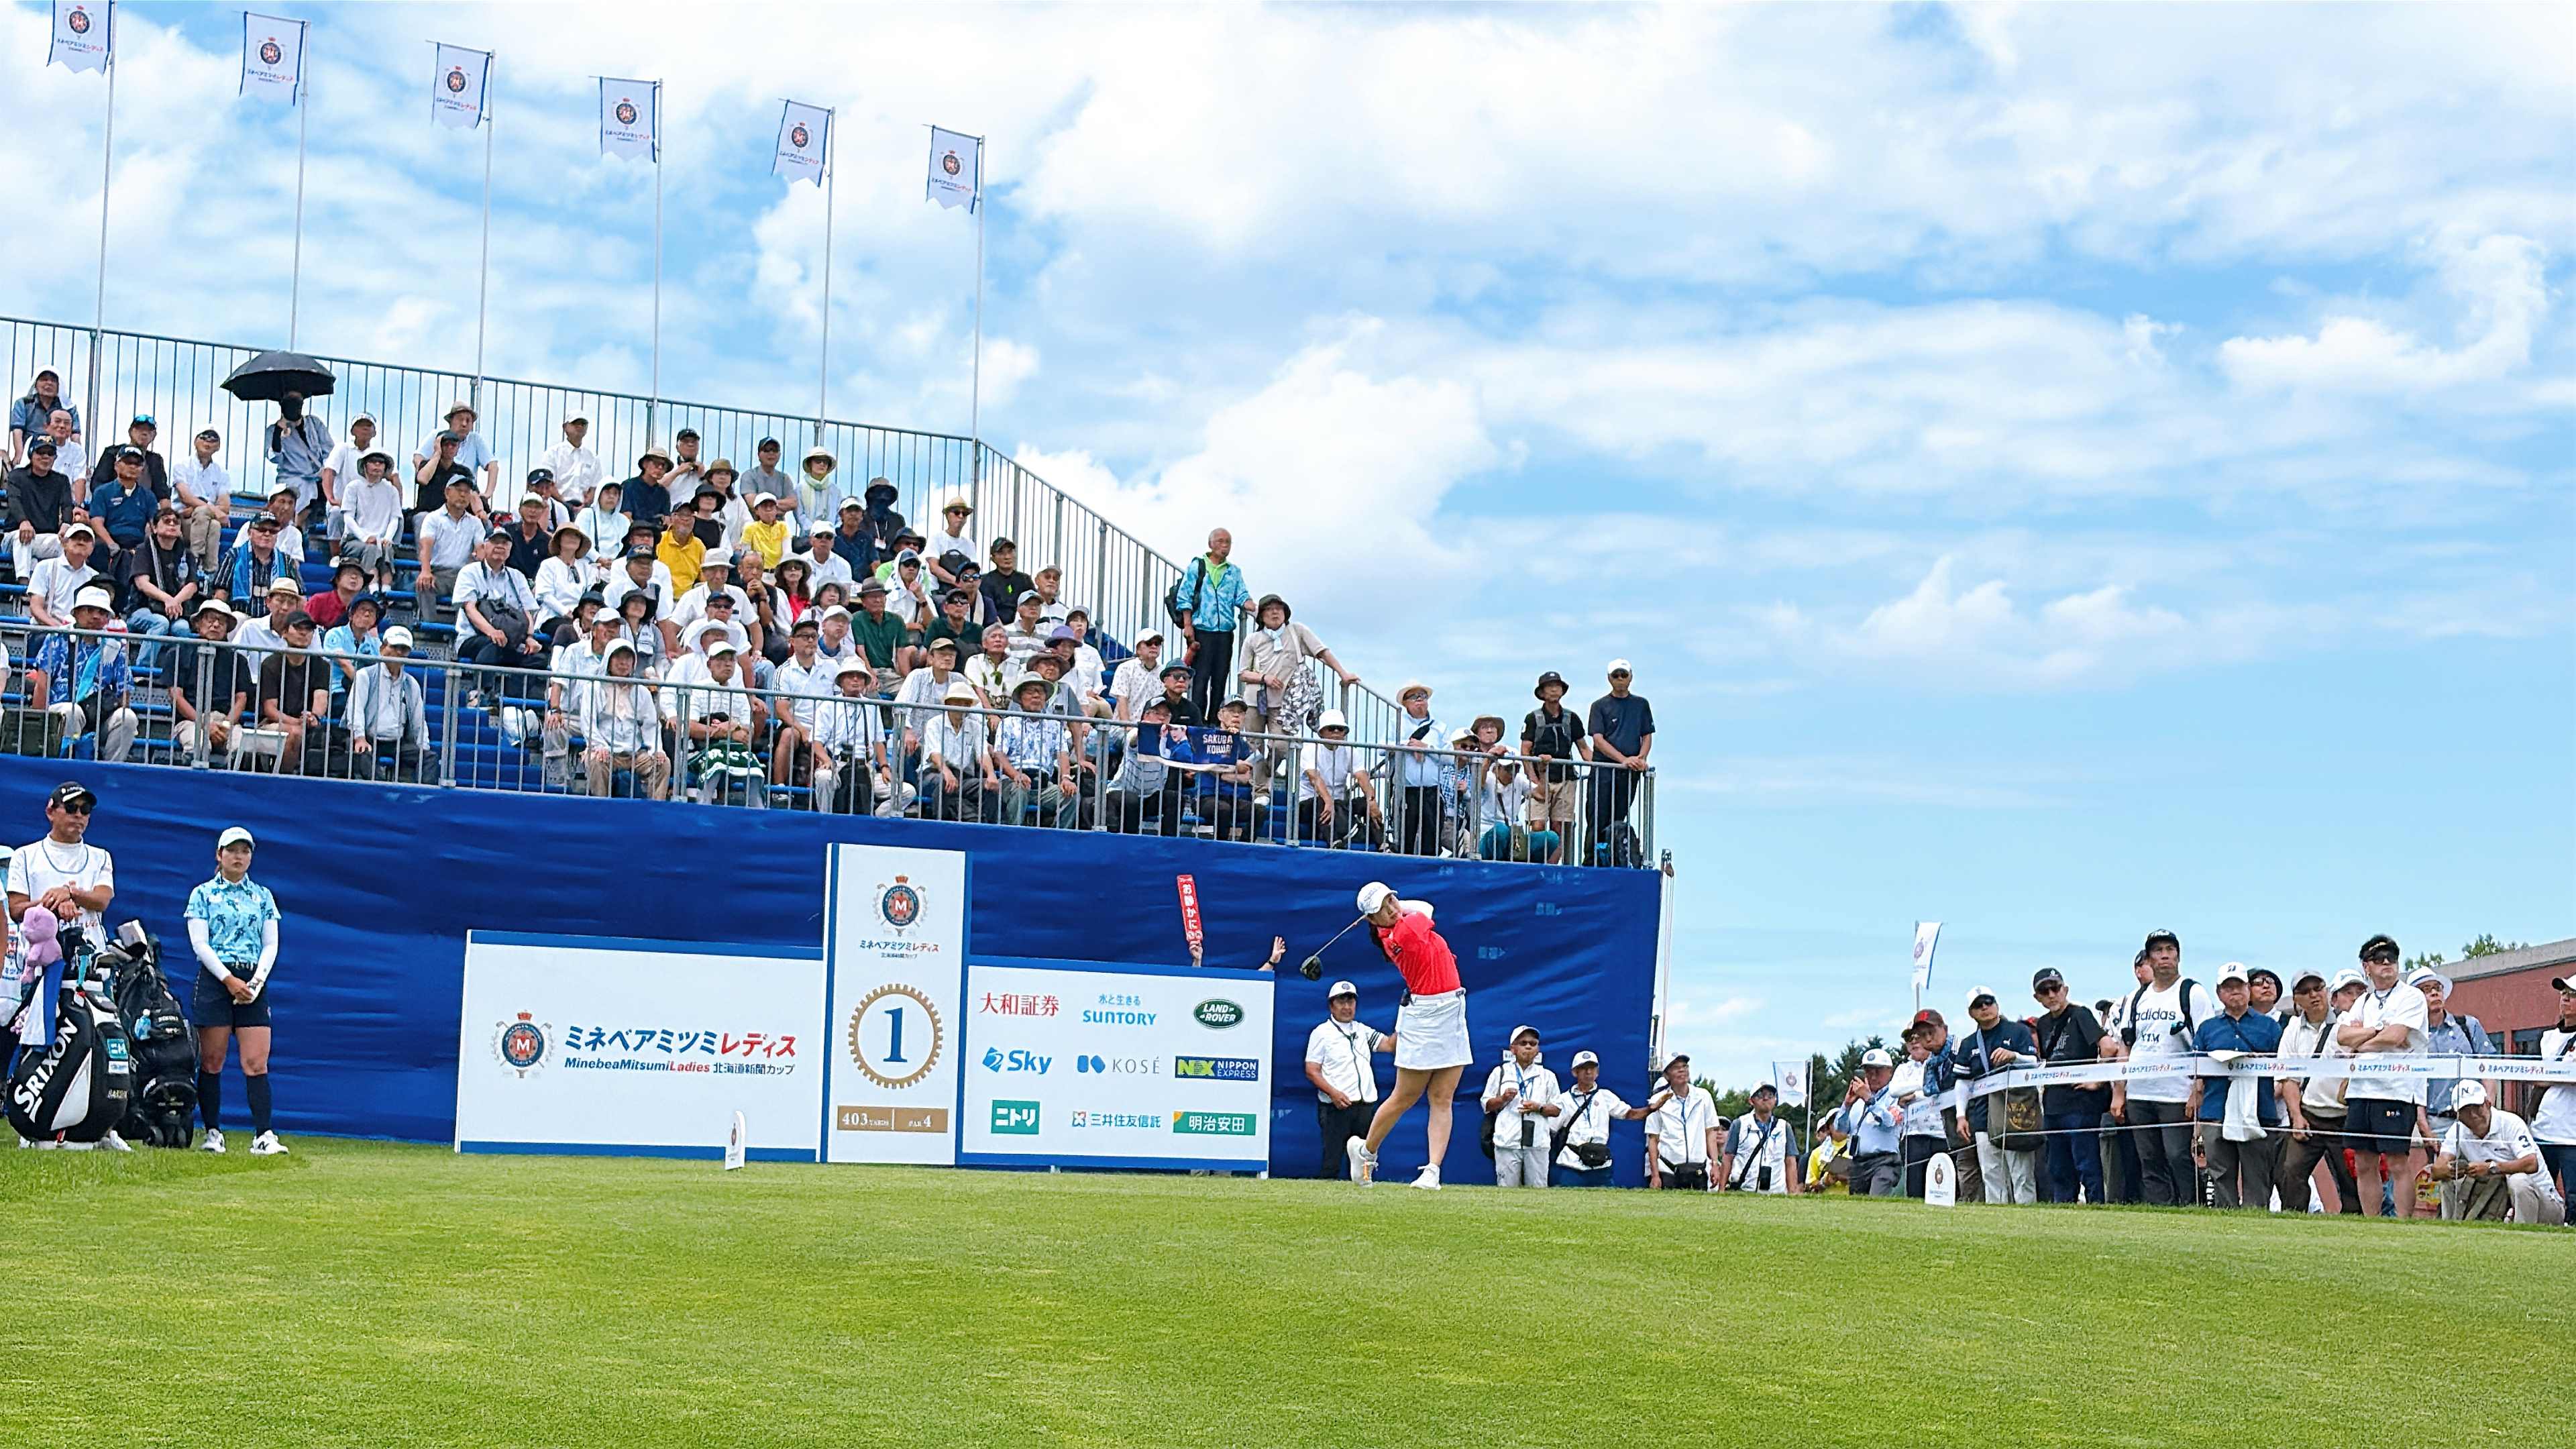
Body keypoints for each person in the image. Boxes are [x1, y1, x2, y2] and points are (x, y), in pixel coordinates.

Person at [1337, 883, 1474, 1191]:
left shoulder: (1396, 924)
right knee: (1405, 1096)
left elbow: (1411, 907)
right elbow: (1424, 906)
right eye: (1382, 908)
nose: (1392, 908)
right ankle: (1366, 1151)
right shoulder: (1404, 932)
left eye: (1391, 899)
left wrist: (1381, 908)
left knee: (1443, 1097)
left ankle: (1432, 1172)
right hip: (1424, 1018)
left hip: (1452, 1009)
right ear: (1373, 922)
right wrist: (1386, 911)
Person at [184, 826, 287, 1156]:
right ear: (220, 855)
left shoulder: (263, 896)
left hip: (253, 981)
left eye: (245, 851)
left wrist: (255, 984)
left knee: (256, 1062)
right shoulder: (202, 894)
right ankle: (213, 1132)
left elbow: (270, 944)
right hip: (217, 979)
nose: (239, 857)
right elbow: (200, 944)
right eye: (232, 850)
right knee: (212, 1060)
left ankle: (264, 1134)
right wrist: (229, 980)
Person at [2108, 928, 2218, 1206]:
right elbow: (2126, 1046)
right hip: (2140, 1093)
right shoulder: (2136, 998)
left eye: (2170, 950)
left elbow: (2203, 1044)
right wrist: (2119, 1092)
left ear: (2178, 956)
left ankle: (2192, 1206)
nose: (2165, 956)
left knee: (2178, 1155)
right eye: (2159, 951)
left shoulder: (2191, 992)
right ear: (2149, 959)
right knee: (2149, 1159)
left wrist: (2198, 1089)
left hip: (2176, 1093)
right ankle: (2161, 1211)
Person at [2337, 933, 2430, 1218]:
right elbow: (2342, 1036)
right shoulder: (2362, 1002)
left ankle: (2403, 1222)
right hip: (2361, 1089)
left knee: (2397, 1161)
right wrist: (2376, 1032)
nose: (2387, 964)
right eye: (2379, 959)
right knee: (2364, 1162)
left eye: (2392, 958)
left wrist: (2362, 1041)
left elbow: (2397, 1035)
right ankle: (2372, 1222)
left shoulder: (2411, 996)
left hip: (2396, 1089)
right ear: (2367, 966)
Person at [2183, 965, 2286, 1210]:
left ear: (2248, 990)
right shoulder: (2207, 1028)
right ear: (2219, 993)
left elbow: (2283, 1070)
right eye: (2228, 988)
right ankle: (2226, 1223)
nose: (2234, 992)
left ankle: (2257, 1223)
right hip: (2215, 1111)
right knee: (2220, 1175)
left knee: (2257, 1175)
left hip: (2259, 1111)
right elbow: (2196, 1072)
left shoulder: (2270, 1027)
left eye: (2239, 986)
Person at [2277, 968, 2361, 1214]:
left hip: (2344, 1118)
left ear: (2327, 991)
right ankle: (2294, 1223)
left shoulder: (2347, 1024)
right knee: (2291, 1172)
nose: (2314, 995)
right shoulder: (2291, 1029)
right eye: (2305, 991)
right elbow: (2287, 1079)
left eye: (2318, 988)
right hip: (2309, 1116)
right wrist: (2296, 1116)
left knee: (2350, 1180)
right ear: (2296, 999)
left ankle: (2354, 1228)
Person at [2427, 1082, 2566, 1225]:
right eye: (2466, 1111)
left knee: (2519, 1181)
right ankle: (2451, 1227)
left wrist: (2491, 1168)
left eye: (2477, 1107)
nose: (2473, 1115)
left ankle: (2523, 1233)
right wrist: (2452, 1170)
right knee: (2449, 1181)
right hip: (2497, 1200)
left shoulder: (2511, 1123)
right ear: (2458, 1115)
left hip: (2546, 1204)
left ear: (2488, 1104)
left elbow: (2531, 1163)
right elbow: (2437, 1170)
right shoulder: (2457, 1130)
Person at [1952, 985, 2042, 1204]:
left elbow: (2034, 1063)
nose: (1985, 1008)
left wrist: (2014, 1056)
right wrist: (1961, 1116)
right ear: (1971, 1013)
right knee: (1992, 1174)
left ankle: (2028, 1221)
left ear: (1997, 1005)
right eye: (1978, 1005)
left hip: (2016, 1114)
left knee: (2022, 1174)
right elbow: (1963, 1082)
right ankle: (1997, 1222)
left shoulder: (2018, 1031)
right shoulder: (1968, 1044)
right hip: (1982, 1117)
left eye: (1988, 1002)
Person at [2416, 965, 2494, 1213]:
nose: (2434, 994)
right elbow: (2413, 1084)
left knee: (2481, 1175)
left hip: (2473, 1117)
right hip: (2437, 1120)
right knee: (2445, 1179)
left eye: (2437, 988)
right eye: (2426, 990)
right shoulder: (2413, 1038)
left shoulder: (2468, 1026)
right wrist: (2424, 1125)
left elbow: (2488, 1068)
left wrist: (2489, 1107)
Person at [29, 588, 138, 763]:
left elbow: (124, 692)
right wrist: (37, 726)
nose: (96, 616)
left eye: (102, 612)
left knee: (128, 717)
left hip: (98, 718)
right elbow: (42, 684)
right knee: (73, 711)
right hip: (59, 715)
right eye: (89, 610)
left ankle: (109, 770)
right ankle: (66, 763)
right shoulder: (57, 639)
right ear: (77, 613)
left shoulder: (115, 647)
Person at [2030, 967, 2108, 1203]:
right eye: (2045, 991)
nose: (2052, 995)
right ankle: (2063, 1210)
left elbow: (2108, 1047)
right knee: (2058, 1168)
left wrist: (2098, 1080)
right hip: (2054, 1103)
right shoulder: (2043, 1024)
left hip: (2080, 1104)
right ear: (2038, 998)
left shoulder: (2081, 1014)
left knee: (2087, 1163)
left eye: (2055, 988)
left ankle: (2097, 1207)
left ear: (2065, 990)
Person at [1236, 594, 1359, 738]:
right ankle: (1259, 761)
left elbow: (1322, 652)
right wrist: (1264, 678)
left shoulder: (1296, 631)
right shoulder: (1253, 639)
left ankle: (1268, 762)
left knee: (1281, 746)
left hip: (1284, 705)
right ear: (1262, 616)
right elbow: (1242, 674)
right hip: (1255, 701)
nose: (1275, 612)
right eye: (1269, 609)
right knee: (1253, 744)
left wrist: (1343, 674)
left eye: (1278, 609)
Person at [1173, 527, 1252, 720]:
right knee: (1200, 678)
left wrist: (1258, 609)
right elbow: (1185, 597)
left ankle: (1216, 720)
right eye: (1220, 541)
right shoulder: (1198, 566)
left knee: (1220, 677)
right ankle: (1198, 720)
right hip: (1203, 630)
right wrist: (1188, 625)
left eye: (1228, 543)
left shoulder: (1234, 572)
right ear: (1211, 544)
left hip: (1224, 631)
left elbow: (1241, 596)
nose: (1224, 546)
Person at [1583, 659, 1654, 865]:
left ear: (1631, 677)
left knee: (1619, 816)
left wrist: (1641, 759)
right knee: (1598, 817)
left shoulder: (1641, 704)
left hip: (1629, 774)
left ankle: (1613, 858)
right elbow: (1598, 739)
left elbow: (1647, 735)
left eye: (1624, 675)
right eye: (1616, 676)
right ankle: (1592, 860)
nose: (1621, 679)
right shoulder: (1599, 706)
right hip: (1605, 771)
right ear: (1609, 679)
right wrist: (1624, 760)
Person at [580, 640, 670, 799]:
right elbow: (588, 723)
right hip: (606, 750)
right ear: (609, 661)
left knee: (663, 764)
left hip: (634, 753)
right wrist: (599, 746)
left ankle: (655, 809)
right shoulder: (594, 688)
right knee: (597, 761)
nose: (623, 663)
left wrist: (657, 749)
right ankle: (601, 806)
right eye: (618, 658)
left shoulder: (641, 691)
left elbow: (651, 725)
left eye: (628, 659)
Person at [169, 600, 252, 767]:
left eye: (221, 621)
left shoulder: (238, 659)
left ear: (228, 628)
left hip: (226, 721)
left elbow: (241, 698)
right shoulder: (179, 652)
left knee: (243, 749)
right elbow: (176, 695)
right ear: (198, 624)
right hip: (190, 720)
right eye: (210, 619)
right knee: (197, 746)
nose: (215, 625)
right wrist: (204, 723)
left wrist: (227, 725)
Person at [1552, 1050, 1650, 1187]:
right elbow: (1551, 1130)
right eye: (1584, 1069)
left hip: (1601, 1165)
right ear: (1575, 1072)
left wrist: (1652, 1109)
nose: (1588, 1073)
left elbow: (1630, 1114)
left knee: (1607, 1205)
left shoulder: (1605, 1096)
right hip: (1572, 1164)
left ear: (1597, 1072)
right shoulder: (1563, 1100)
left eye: (1592, 1069)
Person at [347, 627, 433, 782]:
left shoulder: (411, 683)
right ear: (382, 648)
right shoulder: (365, 675)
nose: (399, 653)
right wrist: (359, 737)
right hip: (369, 738)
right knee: (362, 754)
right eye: (394, 647)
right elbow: (356, 709)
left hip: (398, 742)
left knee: (429, 758)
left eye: (404, 649)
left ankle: (422, 799)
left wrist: (423, 747)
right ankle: (382, 795)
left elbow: (419, 720)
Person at [1482, 1024, 1562, 1189]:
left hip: (1538, 1142)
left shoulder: (1547, 1076)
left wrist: (1538, 1108)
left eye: (1533, 1044)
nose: (1528, 1047)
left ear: (1538, 1050)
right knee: (1507, 1190)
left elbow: (1557, 1110)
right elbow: (1486, 1105)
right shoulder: (1501, 1072)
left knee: (1538, 1190)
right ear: (1513, 1049)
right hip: (1508, 1141)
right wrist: (1503, 1099)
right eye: (1523, 1043)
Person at [1295, 708, 1381, 849]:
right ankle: (1334, 842)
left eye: (1340, 729)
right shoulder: (1310, 749)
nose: (1336, 732)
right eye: (1331, 728)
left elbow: (1362, 777)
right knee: (1321, 803)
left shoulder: (1350, 751)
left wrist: (1372, 801)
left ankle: (1382, 843)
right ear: (1321, 732)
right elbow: (1315, 778)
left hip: (1339, 803)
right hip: (1309, 803)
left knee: (1365, 804)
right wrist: (1329, 801)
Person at [920, 681, 999, 823]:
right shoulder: (935, 723)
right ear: (949, 704)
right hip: (934, 774)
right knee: (945, 784)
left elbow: (983, 754)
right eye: (957, 702)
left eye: (965, 703)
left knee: (990, 787)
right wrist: (947, 772)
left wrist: (992, 774)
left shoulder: (975, 727)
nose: (962, 707)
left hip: (963, 779)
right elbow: (934, 754)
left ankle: (991, 828)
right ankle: (940, 826)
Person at [2530, 974, 2576, 1216]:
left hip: (2572, 1136)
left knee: (2574, 1195)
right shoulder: (2547, 1038)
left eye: (2572, 995)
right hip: (2543, 1128)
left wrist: (2550, 1077)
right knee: (2540, 1190)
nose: (2566, 1000)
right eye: (2563, 994)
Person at [1645, 1054, 1722, 1191]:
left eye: (1685, 1066)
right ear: (1667, 1075)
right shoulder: (1657, 1101)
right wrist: (1655, 1175)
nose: (1682, 1070)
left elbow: (1711, 1132)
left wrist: (1715, 1164)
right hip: (1668, 1170)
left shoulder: (1703, 1096)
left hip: (1698, 1169)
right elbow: (1653, 1140)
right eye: (1676, 1068)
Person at [1390, 681, 1447, 857]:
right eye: (1414, 697)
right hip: (1406, 790)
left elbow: (1449, 757)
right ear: (1405, 702)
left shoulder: (1440, 727)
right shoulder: (1397, 723)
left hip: (1432, 790)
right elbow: (1384, 747)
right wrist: (1409, 745)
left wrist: (1426, 748)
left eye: (1422, 696)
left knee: (1431, 837)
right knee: (1404, 837)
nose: (1419, 701)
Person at [1836, 1048, 1904, 1196]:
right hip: (1858, 1161)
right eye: (1868, 1072)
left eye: (1878, 1071)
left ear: (1889, 1072)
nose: (1873, 1077)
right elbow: (1840, 1130)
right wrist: (1846, 1106)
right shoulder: (1858, 1100)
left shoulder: (1895, 1096)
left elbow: (1889, 1122)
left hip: (1884, 1161)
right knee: (1858, 1207)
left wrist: (1870, 1100)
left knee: (1877, 1200)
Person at [1723, 1083, 1802, 1195]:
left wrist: (1792, 1192)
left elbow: (1790, 1161)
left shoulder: (1784, 1127)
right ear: (1751, 1101)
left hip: (1776, 1193)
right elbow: (1728, 1157)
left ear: (1775, 1100)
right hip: (1744, 1191)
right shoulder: (1740, 1124)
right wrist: (1721, 1190)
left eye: (1770, 1095)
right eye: (1760, 1095)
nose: (1766, 1099)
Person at [266, 394, 334, 521]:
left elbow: (329, 450)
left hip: (319, 477)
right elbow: (275, 458)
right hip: (292, 478)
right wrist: (278, 435)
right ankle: (298, 527)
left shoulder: (314, 423)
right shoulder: (273, 430)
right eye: (289, 404)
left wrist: (325, 470)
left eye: (297, 404)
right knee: (299, 498)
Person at [172, 426, 231, 566]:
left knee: (215, 524)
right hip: (182, 520)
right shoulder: (182, 466)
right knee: (207, 515)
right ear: (195, 441)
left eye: (213, 439)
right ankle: (196, 561)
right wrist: (213, 509)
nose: (208, 442)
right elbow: (186, 498)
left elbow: (225, 506)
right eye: (203, 437)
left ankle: (207, 569)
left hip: (202, 518)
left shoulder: (222, 473)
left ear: (218, 446)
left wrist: (197, 508)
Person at [540, 411, 603, 504]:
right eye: (575, 423)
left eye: (583, 424)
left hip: (584, 508)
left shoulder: (593, 458)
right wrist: (564, 503)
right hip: (557, 506)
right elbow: (548, 484)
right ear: (565, 427)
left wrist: (584, 505)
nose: (580, 426)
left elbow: (595, 487)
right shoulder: (553, 453)